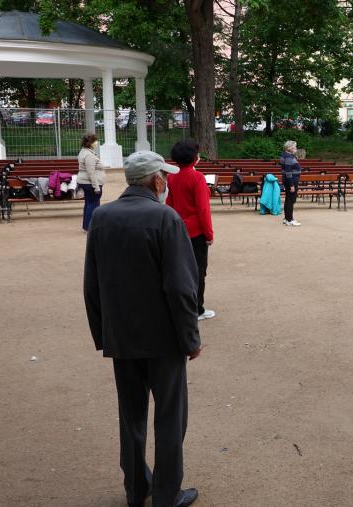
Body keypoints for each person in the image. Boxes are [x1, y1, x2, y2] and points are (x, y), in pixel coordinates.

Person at [84, 151, 202, 507]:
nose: (166, 183)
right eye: (163, 177)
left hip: (122, 335)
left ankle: (136, 488)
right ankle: (167, 494)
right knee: (170, 418)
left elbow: (92, 284)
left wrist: (103, 334)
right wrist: (190, 338)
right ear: (156, 180)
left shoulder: (102, 217)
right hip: (163, 338)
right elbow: (181, 287)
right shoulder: (166, 218)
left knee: (131, 416)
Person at [167, 139, 216, 321]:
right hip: (196, 232)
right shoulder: (197, 177)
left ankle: (184, 304)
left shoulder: (172, 177)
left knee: (182, 269)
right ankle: (197, 309)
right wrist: (209, 234)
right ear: (194, 157)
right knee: (198, 271)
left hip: (179, 230)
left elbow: (170, 204)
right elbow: (203, 209)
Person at [76, 133, 106, 232]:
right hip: (90, 183)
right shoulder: (89, 155)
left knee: (89, 204)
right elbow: (91, 172)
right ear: (90, 143)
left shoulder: (84, 152)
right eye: (95, 141)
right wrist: (96, 186)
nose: (96, 142)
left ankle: (86, 227)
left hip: (86, 182)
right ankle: (90, 227)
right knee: (93, 205)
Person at [280, 140, 302, 226]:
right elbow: (288, 172)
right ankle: (290, 220)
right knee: (291, 200)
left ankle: (287, 218)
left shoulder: (285, 155)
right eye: (294, 147)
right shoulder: (289, 157)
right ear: (289, 148)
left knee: (288, 199)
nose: (296, 148)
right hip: (291, 180)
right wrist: (292, 185)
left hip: (288, 180)